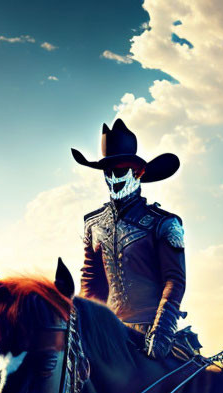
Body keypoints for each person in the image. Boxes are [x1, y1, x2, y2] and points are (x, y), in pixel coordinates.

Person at [73, 119, 190, 359]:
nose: (113, 177)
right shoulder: (93, 224)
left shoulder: (164, 223)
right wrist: (88, 327)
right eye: (108, 171)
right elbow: (91, 281)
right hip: (110, 334)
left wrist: (163, 329)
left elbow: (174, 280)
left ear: (137, 172)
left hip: (154, 331)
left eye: (119, 170)